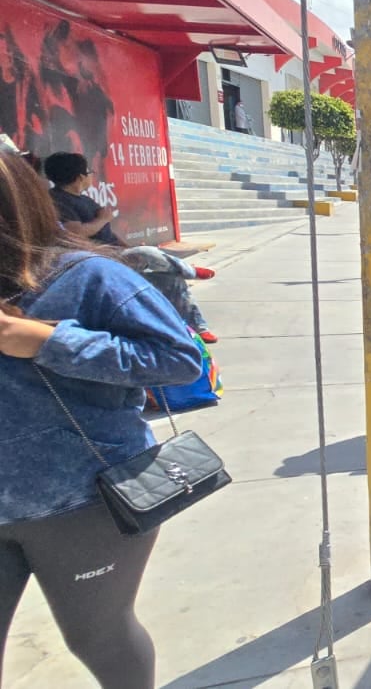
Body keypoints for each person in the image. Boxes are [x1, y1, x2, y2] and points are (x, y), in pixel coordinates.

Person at [0, 151, 204, 689]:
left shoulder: (87, 276)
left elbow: (179, 360)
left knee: (97, 637)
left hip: (83, 500)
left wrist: (50, 341)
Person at [45, 152, 218, 342]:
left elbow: (107, 233)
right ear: (80, 177)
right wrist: (103, 218)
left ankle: (199, 328)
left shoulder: (85, 200)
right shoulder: (57, 201)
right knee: (146, 253)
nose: (91, 176)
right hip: (97, 261)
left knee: (171, 279)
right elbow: (74, 233)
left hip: (115, 253)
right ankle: (190, 270)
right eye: (89, 172)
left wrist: (127, 246)